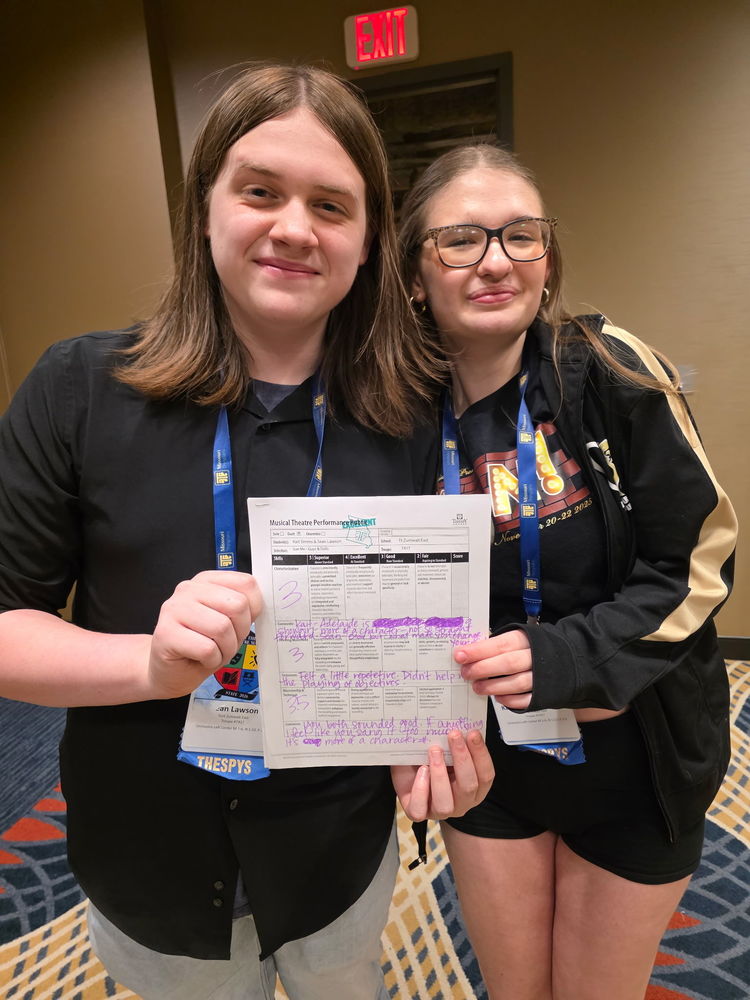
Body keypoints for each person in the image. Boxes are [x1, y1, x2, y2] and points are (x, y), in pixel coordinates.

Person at [0, 64, 494, 1000]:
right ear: (205, 211)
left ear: (368, 242)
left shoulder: (416, 412)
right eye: (260, 191)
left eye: (332, 205)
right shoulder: (79, 391)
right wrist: (149, 662)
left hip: (335, 859)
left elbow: (438, 633)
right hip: (151, 857)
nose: (295, 228)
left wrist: (430, 743)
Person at [399, 143, 737, 1000]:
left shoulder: (609, 368)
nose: (497, 260)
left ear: (548, 258)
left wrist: (570, 660)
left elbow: (696, 561)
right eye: (461, 240)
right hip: (487, 760)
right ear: (413, 275)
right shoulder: (394, 412)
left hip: (635, 752)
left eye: (522, 235)